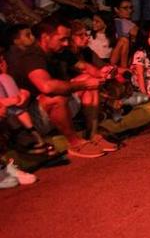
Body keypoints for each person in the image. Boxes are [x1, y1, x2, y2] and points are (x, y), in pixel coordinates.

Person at [7, 19, 109, 157]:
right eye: (62, 39)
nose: (66, 43)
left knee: (89, 80)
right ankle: (75, 144)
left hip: (51, 111)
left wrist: (102, 73)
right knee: (56, 94)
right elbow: (47, 87)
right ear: (45, 37)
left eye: (67, 39)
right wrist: (83, 85)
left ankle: (92, 136)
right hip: (30, 122)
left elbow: (84, 66)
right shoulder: (31, 57)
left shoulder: (60, 52)